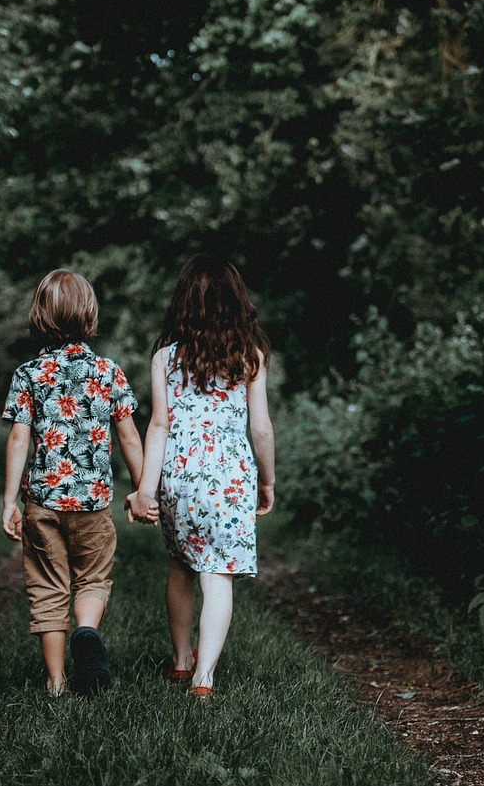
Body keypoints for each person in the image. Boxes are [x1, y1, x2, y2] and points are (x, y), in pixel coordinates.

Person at [127, 254, 276, 699]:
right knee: (218, 575)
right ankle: (204, 677)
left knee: (180, 565)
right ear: (237, 303)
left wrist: (145, 490)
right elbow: (261, 427)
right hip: (230, 477)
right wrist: (267, 481)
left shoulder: (166, 359)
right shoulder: (250, 355)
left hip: (180, 476)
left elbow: (158, 425)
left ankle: (179, 660)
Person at [1, 269, 144, 697]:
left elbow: (18, 438)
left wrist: (10, 500)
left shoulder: (28, 374)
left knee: (47, 587)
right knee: (92, 579)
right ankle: (86, 630)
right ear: (90, 314)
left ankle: (57, 681)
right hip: (94, 502)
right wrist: (141, 490)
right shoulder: (107, 371)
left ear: (40, 315)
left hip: (43, 502)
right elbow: (130, 435)